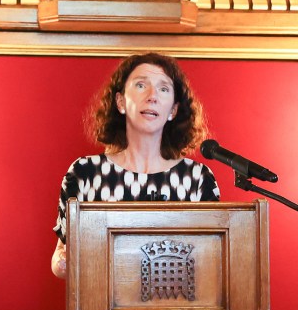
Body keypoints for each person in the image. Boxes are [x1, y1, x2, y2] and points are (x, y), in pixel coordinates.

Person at [51, 52, 221, 278]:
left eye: (163, 89)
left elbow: (211, 262)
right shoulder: (85, 174)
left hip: (176, 307)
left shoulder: (198, 178)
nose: (152, 96)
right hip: (102, 309)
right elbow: (61, 257)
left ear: (173, 110)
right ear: (120, 101)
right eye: (141, 85)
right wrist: (64, 262)